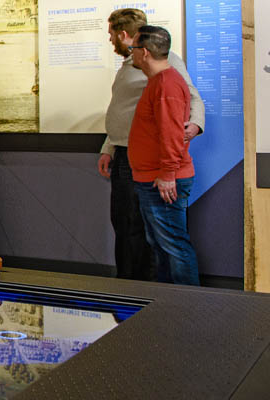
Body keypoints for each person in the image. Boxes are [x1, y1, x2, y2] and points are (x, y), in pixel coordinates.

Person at [96, 8, 204, 281]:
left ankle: (153, 293)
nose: (110, 41)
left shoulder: (163, 65)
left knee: (152, 233)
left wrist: (193, 125)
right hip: (125, 154)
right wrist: (109, 147)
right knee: (127, 225)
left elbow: (190, 99)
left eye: (111, 35)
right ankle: (135, 290)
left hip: (153, 162)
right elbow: (124, 111)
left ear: (124, 35)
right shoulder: (130, 64)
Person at [127, 25, 200, 285]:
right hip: (154, 179)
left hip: (163, 181)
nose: (130, 54)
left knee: (174, 247)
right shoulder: (159, 82)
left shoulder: (167, 84)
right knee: (162, 246)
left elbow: (171, 134)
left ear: (144, 52)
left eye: (132, 49)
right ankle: (169, 305)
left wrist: (168, 173)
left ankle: (186, 307)